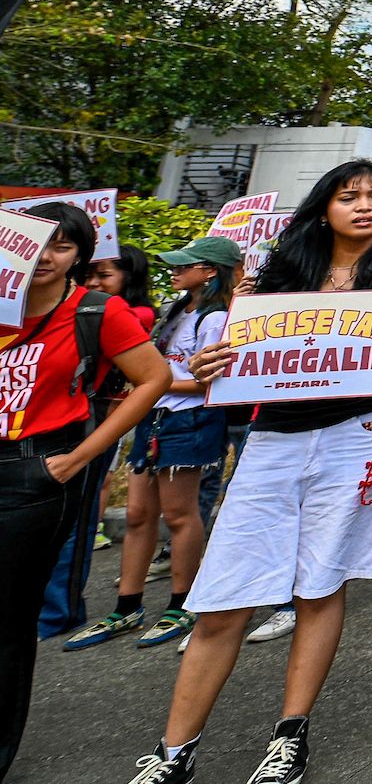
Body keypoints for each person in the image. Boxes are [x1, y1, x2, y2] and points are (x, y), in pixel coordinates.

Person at [127, 160, 372, 784]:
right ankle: (174, 752)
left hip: (359, 439)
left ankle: (289, 737)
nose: (364, 206)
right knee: (224, 596)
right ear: (323, 206)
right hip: (272, 441)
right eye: (349, 196)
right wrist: (216, 362)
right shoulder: (273, 277)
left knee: (320, 587)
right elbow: (239, 362)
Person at [2, 202, 170, 779]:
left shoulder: (97, 310)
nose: (45, 256)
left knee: (6, 616)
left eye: (63, 246)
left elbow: (155, 379)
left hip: (35, 474)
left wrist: (79, 458)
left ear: (80, 256)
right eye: (35, 243)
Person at [66, 236, 237, 653]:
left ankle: (182, 604)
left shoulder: (216, 318)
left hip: (188, 420)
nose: (174, 270)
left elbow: (209, 382)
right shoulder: (177, 310)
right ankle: (128, 605)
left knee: (179, 515)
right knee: (140, 514)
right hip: (154, 417)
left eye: (185, 265)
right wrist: (150, 384)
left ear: (210, 271)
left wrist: (153, 382)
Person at [43, 240, 160, 640]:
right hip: (50, 421)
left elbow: (151, 377)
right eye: (90, 274)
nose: (95, 281)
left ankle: (60, 610)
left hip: (95, 419)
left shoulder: (125, 312)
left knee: (75, 517)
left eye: (104, 275)